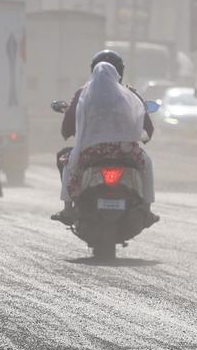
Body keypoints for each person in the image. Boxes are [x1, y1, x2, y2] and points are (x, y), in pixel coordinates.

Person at [51, 50, 158, 226]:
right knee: (147, 163)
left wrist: (72, 131)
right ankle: (147, 209)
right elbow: (147, 127)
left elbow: (67, 127)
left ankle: (68, 208)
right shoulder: (129, 94)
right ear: (119, 73)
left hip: (91, 152)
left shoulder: (83, 93)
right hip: (126, 152)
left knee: (68, 163)